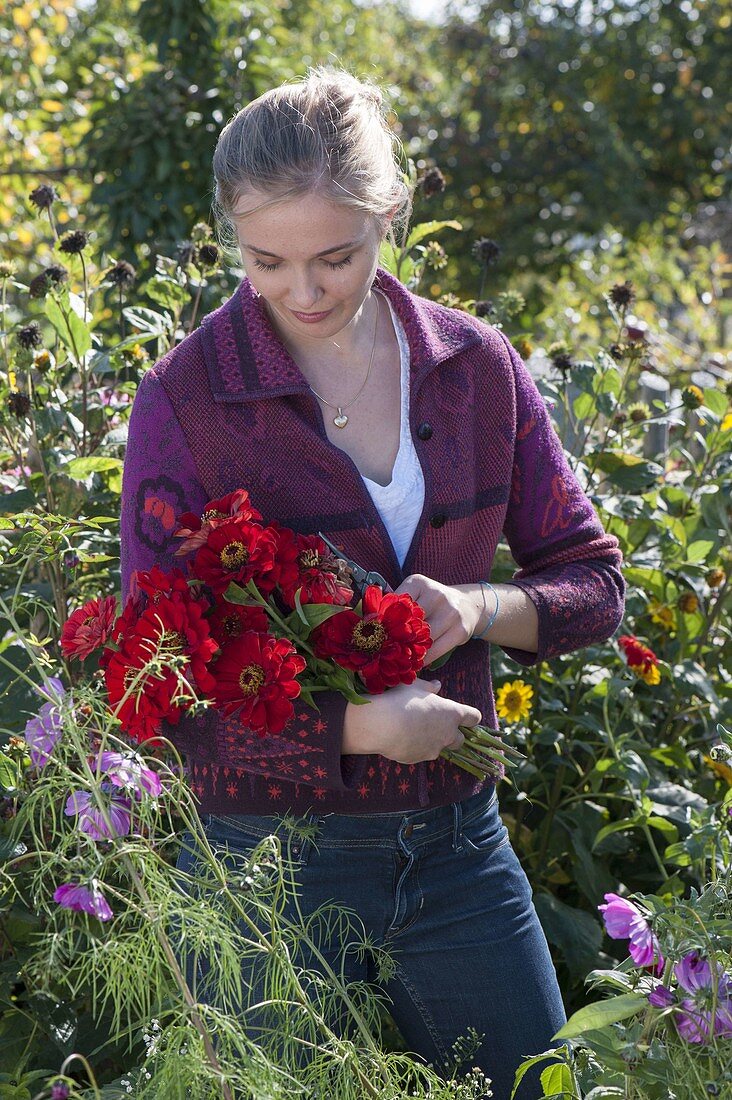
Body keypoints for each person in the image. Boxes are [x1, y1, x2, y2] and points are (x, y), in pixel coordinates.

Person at [120, 67, 625, 1099]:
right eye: (269, 261)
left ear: (390, 213)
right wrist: (357, 729)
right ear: (231, 236)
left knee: (538, 1086)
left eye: (336, 256)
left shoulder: (474, 367)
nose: (304, 292)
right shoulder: (187, 399)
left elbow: (594, 579)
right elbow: (145, 687)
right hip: (265, 863)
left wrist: (483, 606)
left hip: (457, 845)